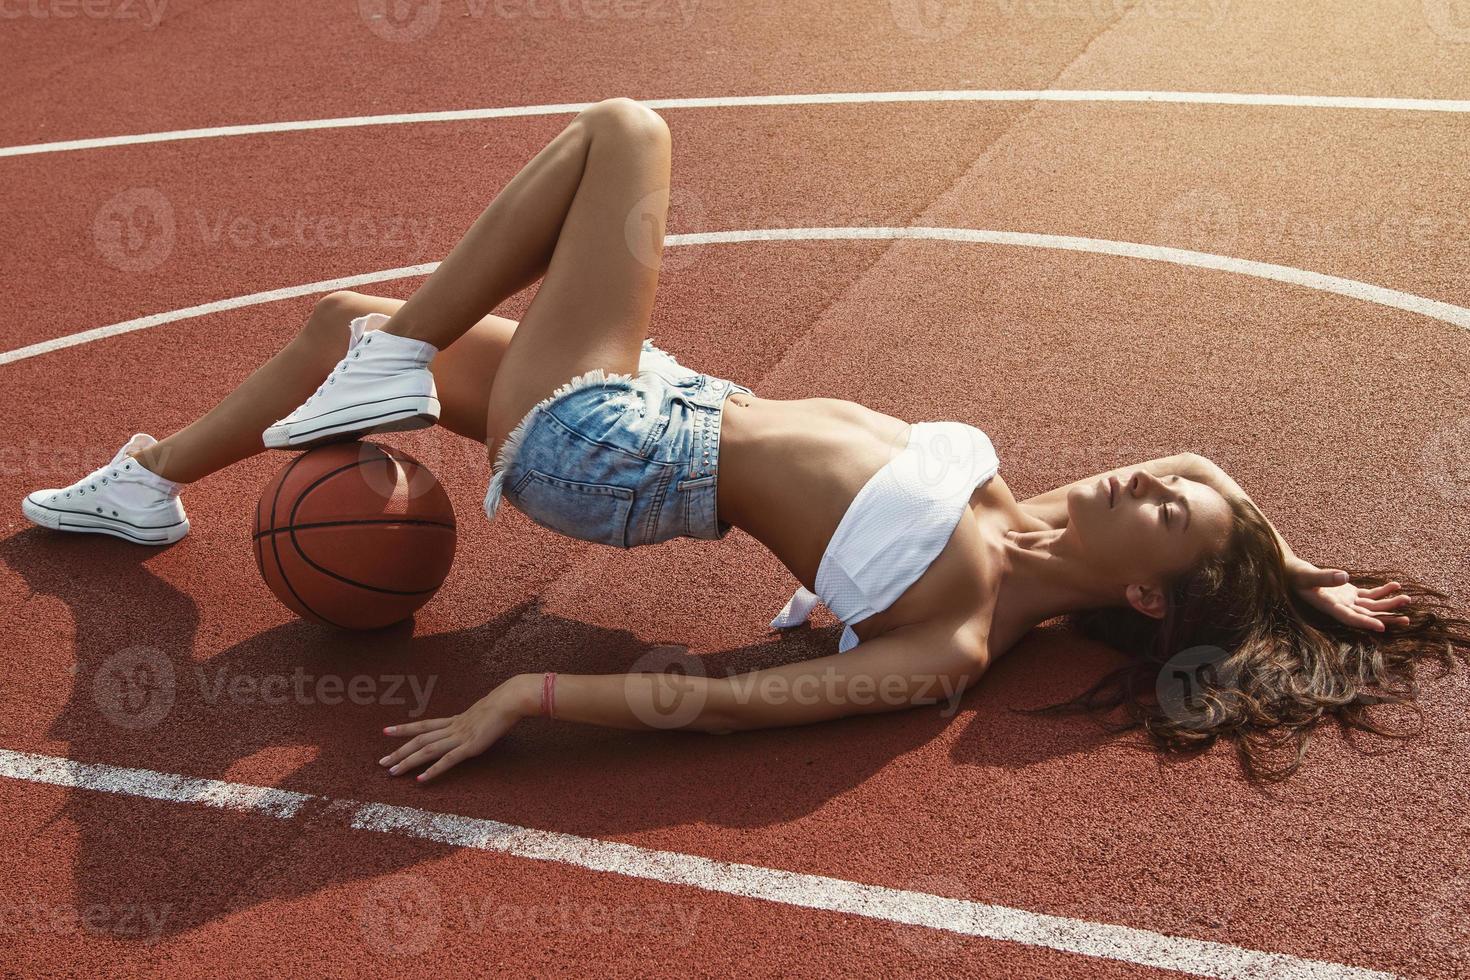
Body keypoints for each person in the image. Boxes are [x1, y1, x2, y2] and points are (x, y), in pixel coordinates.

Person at [23, 99, 1468, 783]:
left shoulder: (950, 639)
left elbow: (720, 703)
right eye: (1177, 471)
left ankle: (397, 356)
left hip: (604, 450)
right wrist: (1291, 581)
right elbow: (1221, 525)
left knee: (625, 133)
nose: (1154, 475)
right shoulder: (1008, 511)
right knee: (340, 318)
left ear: (1146, 594)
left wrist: (525, 698)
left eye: (1170, 515)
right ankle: (149, 492)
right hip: (668, 393)